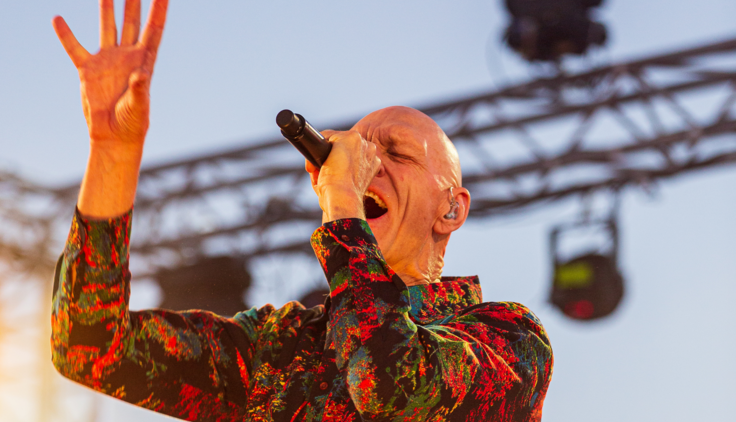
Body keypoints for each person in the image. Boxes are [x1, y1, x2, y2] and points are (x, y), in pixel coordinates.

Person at [50, 1, 553, 421]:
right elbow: (90, 347)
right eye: (361, 155)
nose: (367, 167)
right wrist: (113, 156)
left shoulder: (508, 339)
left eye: (395, 155)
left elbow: (389, 385)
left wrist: (344, 203)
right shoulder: (279, 345)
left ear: (452, 209)